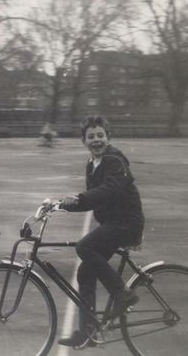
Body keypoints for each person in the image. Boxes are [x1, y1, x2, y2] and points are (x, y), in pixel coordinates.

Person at [57, 115, 145, 348]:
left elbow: (110, 190)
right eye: (91, 136)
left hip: (126, 222)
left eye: (100, 135)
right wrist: (63, 205)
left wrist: (79, 198)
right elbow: (93, 200)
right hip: (113, 223)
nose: (96, 140)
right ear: (83, 141)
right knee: (85, 272)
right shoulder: (91, 163)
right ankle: (87, 332)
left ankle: (123, 294)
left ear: (108, 137)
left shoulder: (114, 161)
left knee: (84, 246)